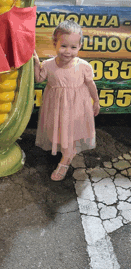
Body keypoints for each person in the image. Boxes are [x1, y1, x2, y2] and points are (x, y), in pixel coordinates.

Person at [33, 20, 100, 181]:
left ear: (80, 46)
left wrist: (96, 101)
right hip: (56, 107)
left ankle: (66, 158)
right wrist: (36, 62)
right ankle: (67, 150)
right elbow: (38, 79)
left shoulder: (84, 66)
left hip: (76, 107)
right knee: (60, 129)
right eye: (63, 46)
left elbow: (91, 84)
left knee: (72, 131)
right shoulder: (48, 64)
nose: (67, 51)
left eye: (73, 47)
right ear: (54, 43)